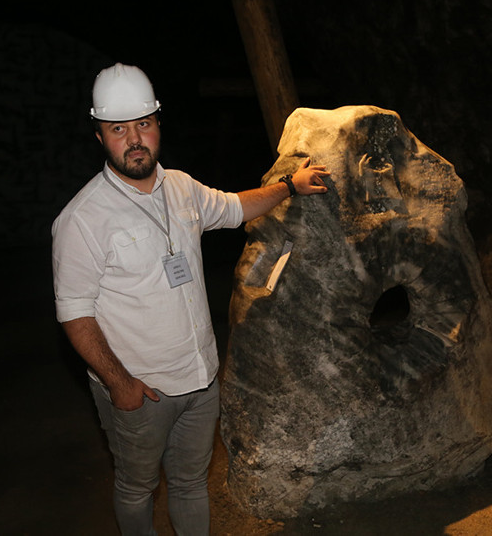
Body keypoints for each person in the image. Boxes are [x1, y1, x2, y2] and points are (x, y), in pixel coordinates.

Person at [51, 63, 330, 535]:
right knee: (137, 487)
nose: (134, 139)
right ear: (99, 136)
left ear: (158, 124)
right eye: (119, 129)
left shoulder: (180, 187)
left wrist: (288, 186)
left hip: (200, 381)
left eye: (143, 124)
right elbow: (74, 313)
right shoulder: (82, 219)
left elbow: (235, 206)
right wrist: (120, 383)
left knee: (189, 483)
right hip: (143, 390)